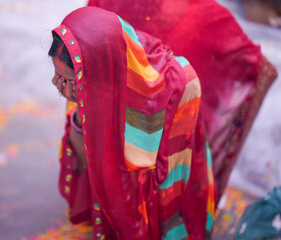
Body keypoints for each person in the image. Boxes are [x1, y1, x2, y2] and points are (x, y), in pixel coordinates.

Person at [87, 0, 278, 202]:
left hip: (111, 131)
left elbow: (85, 47)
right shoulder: (211, 17)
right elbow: (261, 69)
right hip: (165, 143)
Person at [49, 7, 215, 239]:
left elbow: (169, 185)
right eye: (56, 74)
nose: (55, 83)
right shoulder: (85, 75)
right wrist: (80, 115)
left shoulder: (182, 87)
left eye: (65, 79)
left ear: (100, 72)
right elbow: (88, 162)